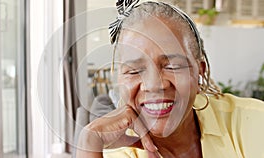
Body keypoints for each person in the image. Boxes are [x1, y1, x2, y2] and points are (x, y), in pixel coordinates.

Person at [76, 1, 264, 157]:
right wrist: (88, 142)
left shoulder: (254, 123)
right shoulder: (118, 154)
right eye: (134, 71)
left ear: (200, 72)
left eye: (173, 66)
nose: (154, 85)